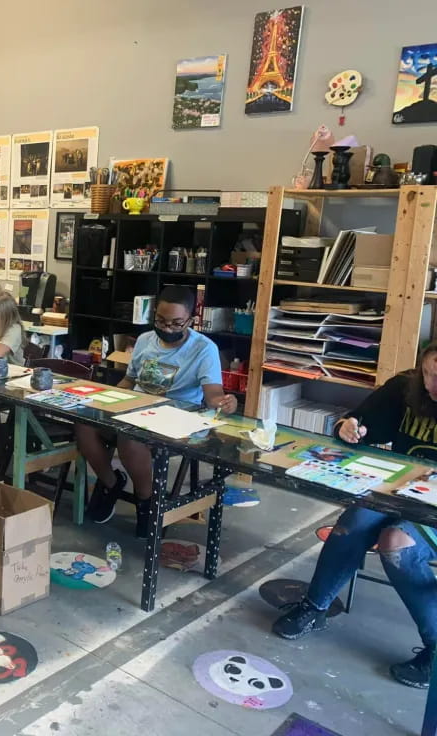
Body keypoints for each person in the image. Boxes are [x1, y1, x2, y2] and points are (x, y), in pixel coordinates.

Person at [273, 341, 437, 689]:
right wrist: (349, 427)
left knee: (397, 544)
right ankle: (315, 606)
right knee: (353, 522)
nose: (430, 385)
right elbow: (357, 423)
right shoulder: (407, 387)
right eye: (427, 373)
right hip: (398, 492)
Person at [75, 286, 236, 536]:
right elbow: (129, 381)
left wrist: (225, 402)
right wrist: (104, 401)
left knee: (129, 437)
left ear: (190, 320)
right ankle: (110, 483)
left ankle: (146, 498)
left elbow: (213, 394)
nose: (167, 329)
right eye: (161, 321)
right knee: (84, 422)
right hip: (134, 407)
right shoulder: (144, 340)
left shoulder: (204, 349)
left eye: (176, 323)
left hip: (174, 418)